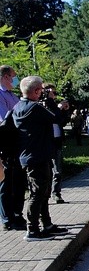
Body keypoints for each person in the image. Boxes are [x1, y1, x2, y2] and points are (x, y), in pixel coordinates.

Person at [12, 76, 69, 241]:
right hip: (38, 155)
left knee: (42, 192)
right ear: (36, 91)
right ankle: (32, 230)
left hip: (28, 155)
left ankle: (47, 225)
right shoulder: (35, 108)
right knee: (38, 193)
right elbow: (56, 118)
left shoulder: (18, 107)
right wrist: (54, 103)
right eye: (42, 91)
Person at [0, 65, 26, 231]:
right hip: (6, 145)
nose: (16, 80)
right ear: (5, 77)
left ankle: (17, 213)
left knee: (18, 182)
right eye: (14, 76)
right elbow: (4, 120)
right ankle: (7, 218)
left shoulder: (13, 96)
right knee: (6, 183)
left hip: (18, 145)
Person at [41, 84, 66, 204]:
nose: (54, 95)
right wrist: (51, 101)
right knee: (46, 171)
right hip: (46, 142)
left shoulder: (55, 106)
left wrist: (64, 110)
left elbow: (61, 120)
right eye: (52, 93)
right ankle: (45, 194)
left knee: (58, 170)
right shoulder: (43, 105)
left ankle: (56, 193)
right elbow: (52, 116)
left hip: (57, 142)